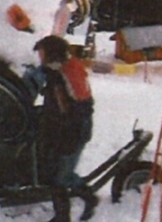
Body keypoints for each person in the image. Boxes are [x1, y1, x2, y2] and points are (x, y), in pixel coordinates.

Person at [33, 35, 98, 222]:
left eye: (42, 54)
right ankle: (63, 214)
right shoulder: (57, 70)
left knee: (61, 177)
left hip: (74, 131)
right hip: (60, 129)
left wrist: (69, 129)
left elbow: (82, 106)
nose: (40, 58)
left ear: (53, 54)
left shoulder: (70, 72)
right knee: (53, 173)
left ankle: (85, 202)